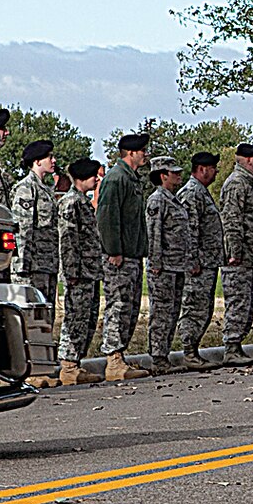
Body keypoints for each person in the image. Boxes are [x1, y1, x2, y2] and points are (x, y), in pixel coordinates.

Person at [96, 130, 151, 381]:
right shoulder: (116, 179)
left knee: (129, 307)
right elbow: (107, 217)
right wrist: (114, 250)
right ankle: (113, 359)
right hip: (120, 257)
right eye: (142, 151)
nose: (146, 155)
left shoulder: (130, 179)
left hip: (132, 254)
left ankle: (120, 355)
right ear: (131, 153)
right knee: (118, 306)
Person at [51, 157, 105, 386]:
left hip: (90, 271)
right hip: (79, 272)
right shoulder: (71, 202)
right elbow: (68, 240)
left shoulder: (81, 201)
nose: (97, 179)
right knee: (76, 318)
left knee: (88, 317)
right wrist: (71, 271)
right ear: (83, 177)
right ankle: (69, 365)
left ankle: (77, 362)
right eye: (94, 175)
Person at [145, 154, 195, 370]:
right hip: (163, 267)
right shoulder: (157, 200)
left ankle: (163, 354)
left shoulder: (172, 199)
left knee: (172, 311)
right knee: (162, 313)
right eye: (174, 172)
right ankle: (158, 357)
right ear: (163, 175)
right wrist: (156, 262)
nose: (179, 176)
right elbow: (154, 233)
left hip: (176, 265)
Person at [175, 151, 225, 363]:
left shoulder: (201, 192)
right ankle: (188, 351)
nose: (215, 172)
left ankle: (193, 349)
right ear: (202, 169)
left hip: (207, 262)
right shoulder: (192, 193)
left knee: (203, 307)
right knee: (194, 307)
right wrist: (193, 259)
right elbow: (190, 230)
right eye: (213, 168)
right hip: (199, 264)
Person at [218, 141, 253, 364]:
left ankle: (236, 346)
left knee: (246, 302)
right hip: (239, 257)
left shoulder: (247, 184)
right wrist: (235, 251)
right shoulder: (236, 184)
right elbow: (232, 222)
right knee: (238, 301)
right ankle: (231, 348)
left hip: (248, 255)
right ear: (247, 160)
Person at [9, 139, 60, 307]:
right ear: (37, 161)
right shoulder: (26, 188)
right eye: (49, 157)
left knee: (46, 316)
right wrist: (21, 266)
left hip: (47, 265)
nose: (54, 161)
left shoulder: (45, 190)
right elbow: (22, 228)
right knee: (31, 316)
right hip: (32, 267)